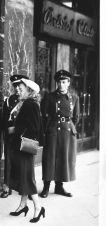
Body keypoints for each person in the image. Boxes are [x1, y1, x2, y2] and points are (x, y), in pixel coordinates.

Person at [9, 78, 45, 223]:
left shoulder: (30, 105)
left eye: (21, 89)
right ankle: (23, 205)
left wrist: (16, 131)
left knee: (27, 177)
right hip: (22, 147)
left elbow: (35, 128)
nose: (18, 91)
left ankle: (38, 207)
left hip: (25, 147)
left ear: (29, 91)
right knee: (23, 175)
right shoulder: (27, 103)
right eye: (17, 89)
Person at [40, 70, 80, 198]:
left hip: (67, 132)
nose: (61, 85)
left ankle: (59, 187)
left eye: (64, 82)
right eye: (59, 82)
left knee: (64, 158)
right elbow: (44, 114)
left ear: (68, 83)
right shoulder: (49, 96)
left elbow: (76, 117)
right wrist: (48, 128)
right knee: (49, 158)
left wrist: (68, 126)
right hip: (53, 130)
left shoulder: (74, 98)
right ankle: (46, 187)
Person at [0, 74, 29, 198]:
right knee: (9, 162)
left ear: (25, 86)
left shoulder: (28, 100)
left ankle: (23, 187)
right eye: (14, 85)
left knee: (23, 162)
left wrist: (16, 129)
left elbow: (30, 122)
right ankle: (7, 187)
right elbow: (5, 121)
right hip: (10, 137)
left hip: (23, 137)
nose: (17, 88)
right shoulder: (9, 100)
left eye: (19, 85)